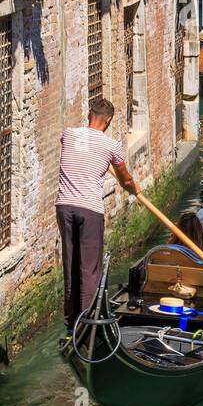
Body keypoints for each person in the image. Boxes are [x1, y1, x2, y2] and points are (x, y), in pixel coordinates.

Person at [56, 96, 138, 330]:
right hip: (89, 210)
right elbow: (126, 179)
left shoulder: (69, 134)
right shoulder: (112, 146)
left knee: (71, 265)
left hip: (64, 207)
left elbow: (81, 150)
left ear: (89, 114)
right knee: (89, 269)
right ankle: (87, 324)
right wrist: (135, 189)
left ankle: (71, 324)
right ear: (109, 120)